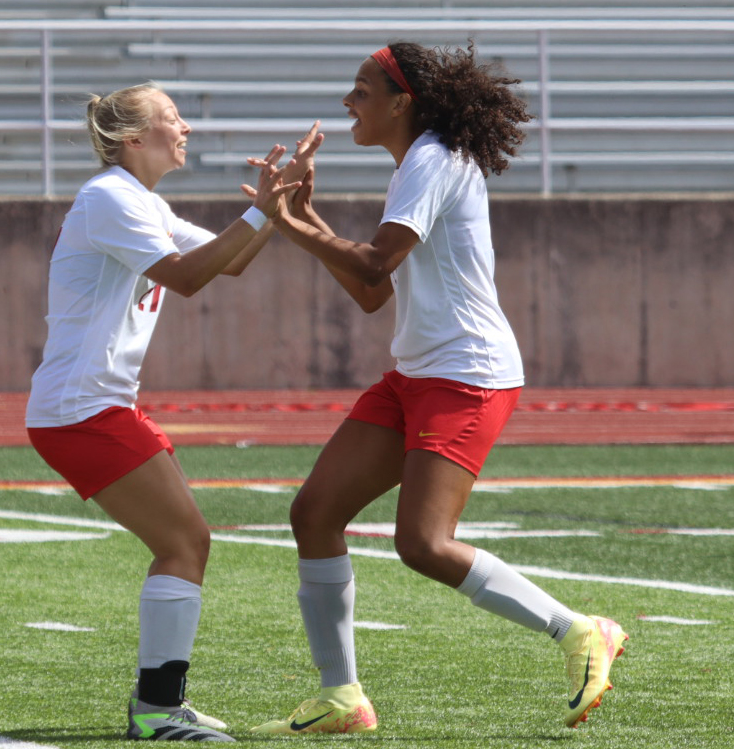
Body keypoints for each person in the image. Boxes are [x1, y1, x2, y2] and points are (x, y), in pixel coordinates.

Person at [250, 43, 627, 735]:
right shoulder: (417, 161)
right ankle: (342, 696)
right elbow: (372, 290)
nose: (347, 102)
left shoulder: (428, 158)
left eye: (361, 90)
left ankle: (579, 628)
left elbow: (372, 264)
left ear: (402, 102)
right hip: (419, 372)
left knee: (422, 542)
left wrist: (288, 221)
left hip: (466, 374)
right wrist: (301, 220)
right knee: (314, 513)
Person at [24, 84, 315, 742]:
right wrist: (264, 211)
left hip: (90, 405)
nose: (184, 127)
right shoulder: (108, 197)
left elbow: (229, 263)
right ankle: (156, 709)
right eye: (170, 118)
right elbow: (186, 276)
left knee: (183, 542)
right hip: (81, 408)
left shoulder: (139, 200)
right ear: (132, 138)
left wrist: (278, 209)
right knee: (185, 542)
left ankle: (161, 703)